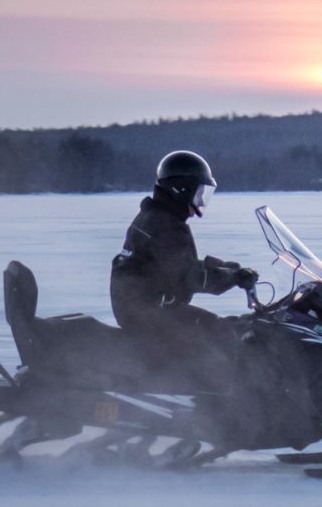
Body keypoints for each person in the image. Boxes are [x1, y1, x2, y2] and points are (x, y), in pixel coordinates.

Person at [110, 150, 257, 387]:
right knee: (221, 334)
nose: (200, 202)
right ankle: (220, 408)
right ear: (182, 189)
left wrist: (228, 269)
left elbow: (177, 264)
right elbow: (189, 277)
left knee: (224, 326)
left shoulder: (157, 217)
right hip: (150, 313)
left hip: (143, 309)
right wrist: (233, 278)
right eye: (199, 193)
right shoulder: (164, 225)